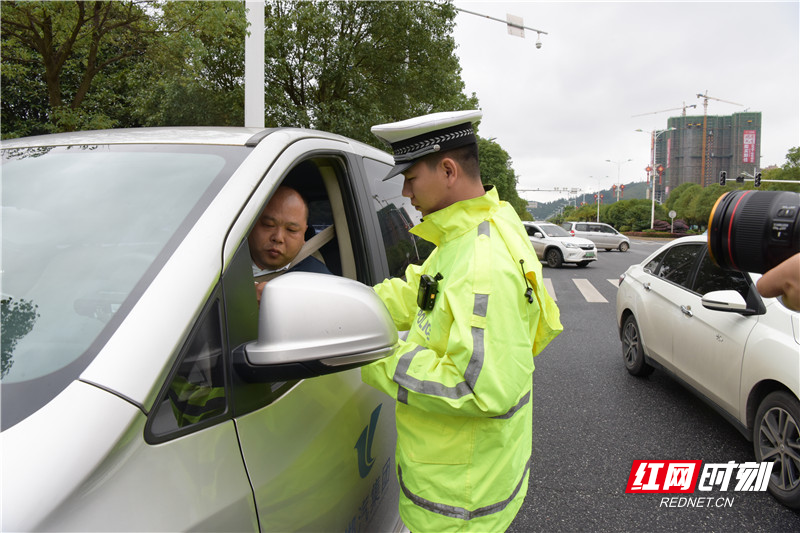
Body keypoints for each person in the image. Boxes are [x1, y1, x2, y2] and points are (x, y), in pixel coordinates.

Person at [361, 110, 563, 532]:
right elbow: (417, 293)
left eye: (411, 178)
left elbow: (475, 387)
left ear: (448, 170)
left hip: (459, 506)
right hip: (463, 480)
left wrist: (373, 355)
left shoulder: (481, 263)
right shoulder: (469, 234)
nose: (404, 191)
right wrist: (346, 307)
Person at [248, 185, 331, 303]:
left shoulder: (321, 283)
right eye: (268, 224)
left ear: (304, 234)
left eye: (291, 230)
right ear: (251, 224)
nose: (278, 237)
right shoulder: (221, 258)